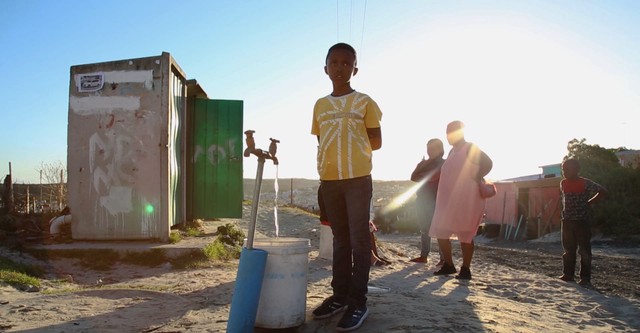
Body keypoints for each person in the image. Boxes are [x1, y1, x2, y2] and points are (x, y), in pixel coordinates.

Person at [310, 42, 382, 332]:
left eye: (345, 63)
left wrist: (352, 151)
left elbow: (376, 141)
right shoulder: (320, 105)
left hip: (357, 179)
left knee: (359, 240)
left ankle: (358, 302)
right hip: (329, 181)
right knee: (340, 240)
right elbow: (320, 139)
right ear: (325, 67)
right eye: (334, 62)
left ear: (355, 68)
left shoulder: (365, 102)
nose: (339, 68)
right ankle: (339, 296)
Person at [429, 120, 492, 280]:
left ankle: (466, 268)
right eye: (447, 133)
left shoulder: (470, 147)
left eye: (452, 132)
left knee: (465, 233)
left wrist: (476, 176)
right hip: (448, 199)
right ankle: (449, 265)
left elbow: (488, 163)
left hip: (467, 198)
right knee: (441, 231)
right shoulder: (452, 152)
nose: (449, 136)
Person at [558, 158, 607, 287]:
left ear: (577, 170)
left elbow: (602, 191)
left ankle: (585, 278)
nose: (565, 172)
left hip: (582, 222)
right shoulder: (563, 183)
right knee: (568, 250)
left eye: (567, 169)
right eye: (563, 169)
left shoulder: (585, 183)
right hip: (567, 221)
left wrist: (589, 202)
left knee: (584, 250)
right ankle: (568, 274)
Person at [409, 138, 446, 265]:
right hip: (421, 199)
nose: (430, 151)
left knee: (440, 230)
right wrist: (427, 174)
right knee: (424, 228)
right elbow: (413, 177)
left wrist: (424, 175)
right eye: (428, 148)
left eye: (433, 148)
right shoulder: (423, 163)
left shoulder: (443, 163)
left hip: (437, 200)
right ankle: (424, 256)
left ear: (440, 149)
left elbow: (435, 176)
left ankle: (444, 258)